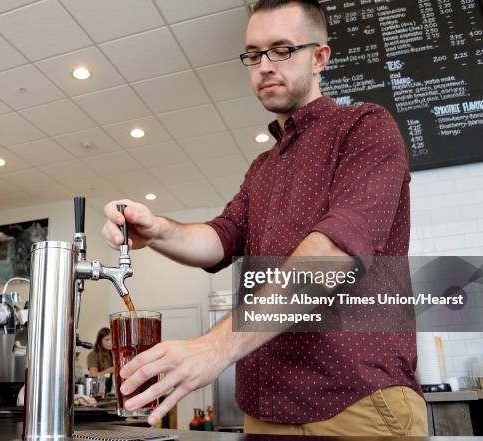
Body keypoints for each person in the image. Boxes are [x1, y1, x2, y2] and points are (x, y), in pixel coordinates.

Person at [102, 0, 425, 436]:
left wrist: (215, 347)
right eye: (253, 54)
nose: (265, 65)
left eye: (282, 49)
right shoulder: (262, 167)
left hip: (354, 401)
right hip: (265, 408)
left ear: (319, 57)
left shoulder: (364, 127)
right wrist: (157, 229)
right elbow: (221, 238)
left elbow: (334, 249)